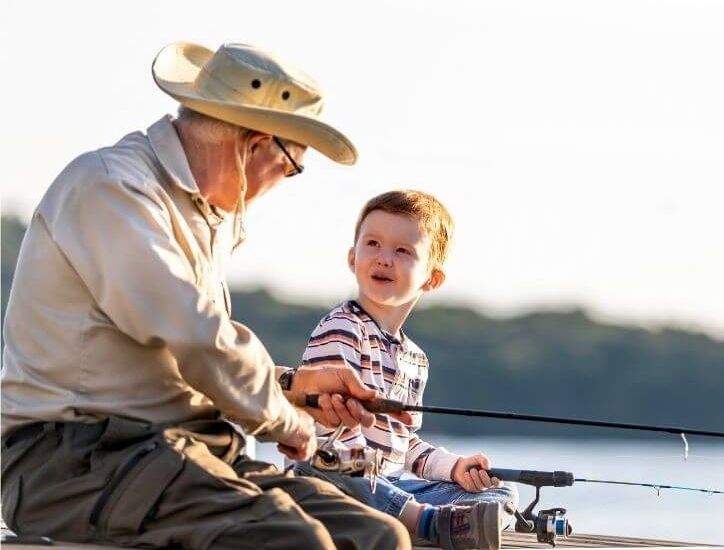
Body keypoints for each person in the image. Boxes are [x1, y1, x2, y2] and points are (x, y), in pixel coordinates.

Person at [1, 42, 411, 550]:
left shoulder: (197, 210)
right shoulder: (113, 188)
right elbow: (194, 333)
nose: (281, 184)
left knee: (378, 536)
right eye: (291, 168)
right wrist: (287, 421)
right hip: (68, 463)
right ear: (254, 146)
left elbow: (182, 357)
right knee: (294, 541)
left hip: (171, 453)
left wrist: (288, 385)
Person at [290, 190, 517, 550]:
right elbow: (328, 432)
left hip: (394, 487)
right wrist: (381, 487)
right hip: (337, 480)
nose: (383, 259)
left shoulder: (416, 360)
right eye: (373, 244)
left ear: (431, 279)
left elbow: (405, 444)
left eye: (402, 251)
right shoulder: (343, 328)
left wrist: (453, 467)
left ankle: (439, 520)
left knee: (501, 491)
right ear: (353, 257)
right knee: (327, 466)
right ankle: (426, 521)